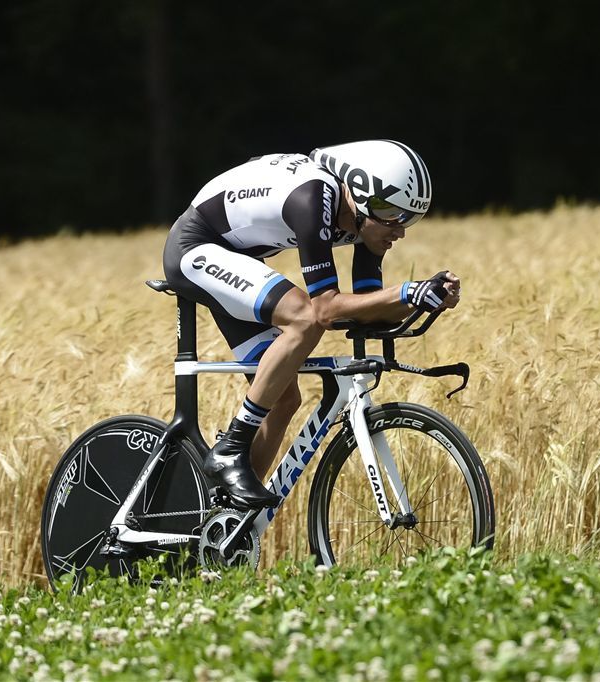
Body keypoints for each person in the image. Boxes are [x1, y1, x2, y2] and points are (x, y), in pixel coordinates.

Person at [162, 140, 460, 509]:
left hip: (236, 258)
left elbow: (367, 309)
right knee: (303, 318)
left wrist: (425, 298)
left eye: (410, 219)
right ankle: (231, 447)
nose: (400, 230)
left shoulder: (368, 220)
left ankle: (225, 521)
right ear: (363, 195)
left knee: (283, 398)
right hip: (196, 248)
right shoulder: (313, 196)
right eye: (394, 214)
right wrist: (405, 292)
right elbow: (325, 311)